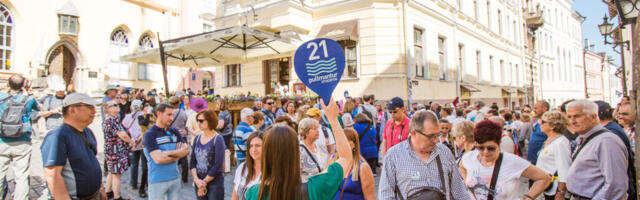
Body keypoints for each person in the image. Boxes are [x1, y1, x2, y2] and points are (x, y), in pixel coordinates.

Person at [245, 99, 353, 200]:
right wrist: (333, 120)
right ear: (295, 154)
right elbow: (346, 158)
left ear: (265, 155)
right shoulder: (314, 188)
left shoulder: (253, 193)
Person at [379, 110, 470, 199]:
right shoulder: (394, 155)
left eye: (438, 135)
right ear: (414, 133)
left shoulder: (444, 152)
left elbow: (459, 192)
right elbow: (385, 194)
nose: (436, 140)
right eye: (431, 136)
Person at [460, 120, 550, 200]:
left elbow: (544, 178)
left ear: (499, 144)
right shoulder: (468, 158)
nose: (485, 152)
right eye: (480, 148)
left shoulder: (512, 161)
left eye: (491, 148)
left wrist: (528, 197)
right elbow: (462, 167)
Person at [41, 93, 105, 200]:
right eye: (89, 107)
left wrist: (101, 188)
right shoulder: (58, 136)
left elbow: (93, 160)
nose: (94, 111)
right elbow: (52, 175)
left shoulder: (88, 132)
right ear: (72, 110)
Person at [566, 100, 628, 199]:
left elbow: (615, 186)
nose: (572, 121)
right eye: (569, 117)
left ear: (593, 117)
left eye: (577, 116)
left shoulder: (607, 141)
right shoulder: (587, 138)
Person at [0, 74, 40, 200]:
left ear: (8, 84)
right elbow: (37, 111)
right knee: (21, 176)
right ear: (24, 84)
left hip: (2, 140)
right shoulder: (29, 99)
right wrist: (28, 91)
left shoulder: (1, 97)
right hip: (22, 141)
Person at [143, 103, 190, 200]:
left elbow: (186, 151)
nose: (172, 118)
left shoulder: (174, 131)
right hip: (157, 180)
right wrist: (178, 155)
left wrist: (167, 153)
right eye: (169, 115)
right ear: (159, 113)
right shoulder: (150, 134)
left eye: (172, 114)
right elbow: (159, 159)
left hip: (175, 178)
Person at [595, 100, 637, 199]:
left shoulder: (611, 133)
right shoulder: (622, 129)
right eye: (619, 113)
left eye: (625, 114)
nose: (620, 116)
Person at [326, 128, 375, 200]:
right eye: (340, 141)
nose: (342, 144)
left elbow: (370, 197)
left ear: (354, 144)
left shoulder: (362, 167)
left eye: (346, 140)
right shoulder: (332, 160)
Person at [535, 111, 571, 200]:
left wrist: (561, 192)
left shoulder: (560, 142)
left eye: (543, 122)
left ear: (553, 125)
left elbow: (564, 168)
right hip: (547, 187)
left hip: (555, 190)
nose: (540, 123)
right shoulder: (551, 140)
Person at [190, 110, 225, 200]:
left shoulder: (218, 139)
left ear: (210, 121)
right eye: (197, 120)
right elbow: (192, 162)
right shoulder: (197, 138)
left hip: (214, 183)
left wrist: (203, 182)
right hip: (199, 181)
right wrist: (196, 180)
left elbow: (217, 165)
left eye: (201, 121)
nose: (198, 123)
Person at [102, 101, 133, 200]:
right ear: (107, 109)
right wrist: (131, 142)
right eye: (114, 105)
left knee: (112, 172)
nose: (117, 106)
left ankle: (108, 192)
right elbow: (122, 135)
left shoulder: (113, 119)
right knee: (116, 174)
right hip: (115, 150)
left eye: (117, 104)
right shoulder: (111, 120)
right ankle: (117, 197)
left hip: (112, 149)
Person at [123, 100, 150, 198]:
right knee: (144, 165)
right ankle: (146, 182)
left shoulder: (127, 117)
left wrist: (132, 140)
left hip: (132, 143)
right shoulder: (144, 115)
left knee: (134, 164)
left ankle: (133, 183)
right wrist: (138, 139)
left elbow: (125, 128)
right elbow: (146, 129)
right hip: (142, 142)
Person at [232, 131, 263, 200]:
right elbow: (234, 195)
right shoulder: (242, 167)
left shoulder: (270, 171)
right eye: (251, 146)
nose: (254, 149)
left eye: (257, 146)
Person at [298, 118, 330, 182]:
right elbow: (297, 175)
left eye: (317, 128)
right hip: (308, 188)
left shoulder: (317, 146)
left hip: (320, 186)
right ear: (305, 131)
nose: (318, 131)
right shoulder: (299, 150)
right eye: (314, 129)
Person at [168, 96, 190, 183]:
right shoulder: (183, 113)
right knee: (183, 156)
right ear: (179, 103)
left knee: (173, 155)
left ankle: (172, 174)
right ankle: (184, 177)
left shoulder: (169, 114)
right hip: (181, 135)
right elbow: (186, 124)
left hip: (172, 136)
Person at [528, 100, 549, 165]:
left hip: (542, 160)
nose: (534, 110)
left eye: (536, 108)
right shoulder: (537, 120)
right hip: (533, 158)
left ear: (545, 108)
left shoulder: (549, 122)